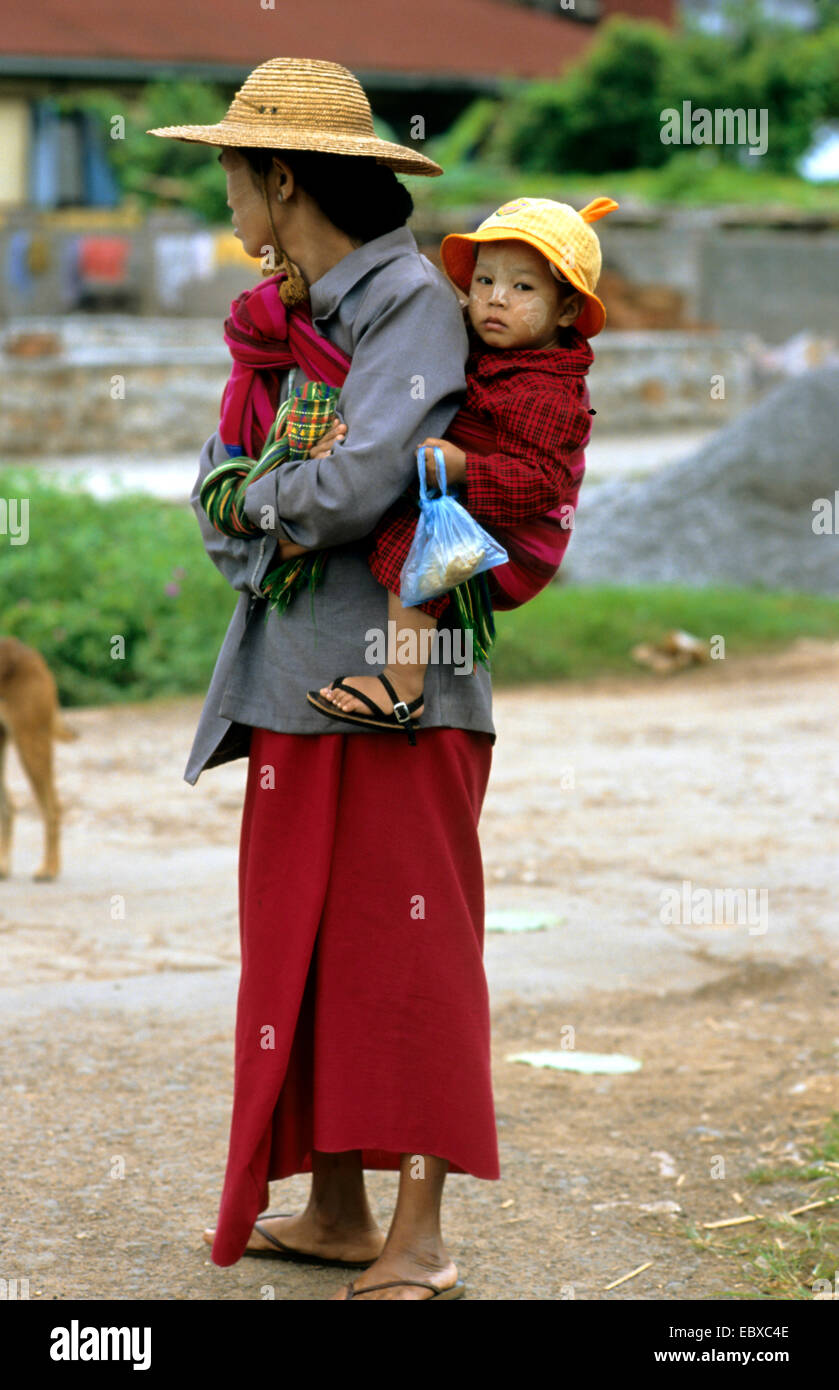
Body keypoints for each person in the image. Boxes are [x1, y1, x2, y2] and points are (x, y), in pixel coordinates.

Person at [148, 57, 498, 1300]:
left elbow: (354, 488)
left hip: (396, 689)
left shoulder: (407, 303)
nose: (229, 208)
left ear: (282, 177)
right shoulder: (278, 320)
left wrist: (265, 504)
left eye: (234, 180)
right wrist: (267, 507)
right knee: (303, 947)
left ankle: (421, 1240)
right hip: (295, 675)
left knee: (408, 955)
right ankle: (340, 1211)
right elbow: (216, 487)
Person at [307, 196, 618, 741]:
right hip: (476, 500)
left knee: (412, 534)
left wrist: (466, 468)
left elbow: (540, 485)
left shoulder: (548, 390)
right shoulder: (471, 341)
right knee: (382, 487)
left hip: (518, 541)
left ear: (567, 312)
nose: (496, 299)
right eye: (484, 281)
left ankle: (402, 686)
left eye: (524, 288)